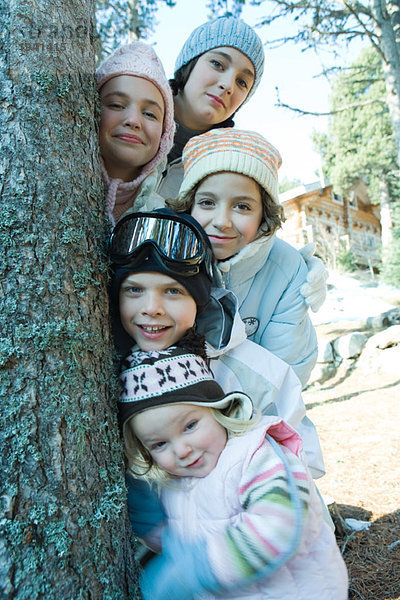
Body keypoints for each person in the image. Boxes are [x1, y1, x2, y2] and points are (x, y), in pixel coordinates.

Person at [117, 345, 349, 600]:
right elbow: (189, 542)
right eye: (159, 444)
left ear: (219, 410)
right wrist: (152, 526)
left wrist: (197, 570)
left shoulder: (257, 456)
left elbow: (277, 527)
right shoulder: (177, 482)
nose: (181, 450)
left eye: (190, 425)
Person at [109, 208, 324, 478]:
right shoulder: (112, 368)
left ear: (199, 302)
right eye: (135, 290)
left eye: (173, 291)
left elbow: (307, 456)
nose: (152, 308)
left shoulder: (250, 369)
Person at [168, 128, 318, 387]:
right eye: (207, 203)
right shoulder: (165, 257)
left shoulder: (287, 270)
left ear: (264, 214)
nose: (222, 222)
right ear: (189, 205)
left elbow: (285, 374)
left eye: (242, 206)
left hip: (261, 416)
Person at [96, 41, 176, 225]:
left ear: (165, 134)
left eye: (149, 114)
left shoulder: (162, 219)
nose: (133, 121)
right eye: (116, 105)